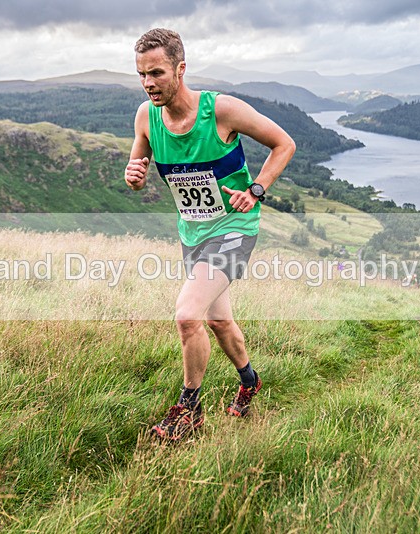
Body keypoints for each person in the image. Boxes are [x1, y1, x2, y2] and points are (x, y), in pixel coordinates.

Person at [124, 28, 296, 441]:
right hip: (193, 232)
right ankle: (250, 380)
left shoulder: (220, 110)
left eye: (157, 73)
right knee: (218, 320)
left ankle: (189, 408)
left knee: (187, 315)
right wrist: (134, 175)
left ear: (180, 69)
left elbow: (284, 144)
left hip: (234, 228)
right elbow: (138, 163)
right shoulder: (146, 117)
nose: (149, 83)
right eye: (142, 74)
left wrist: (256, 190)